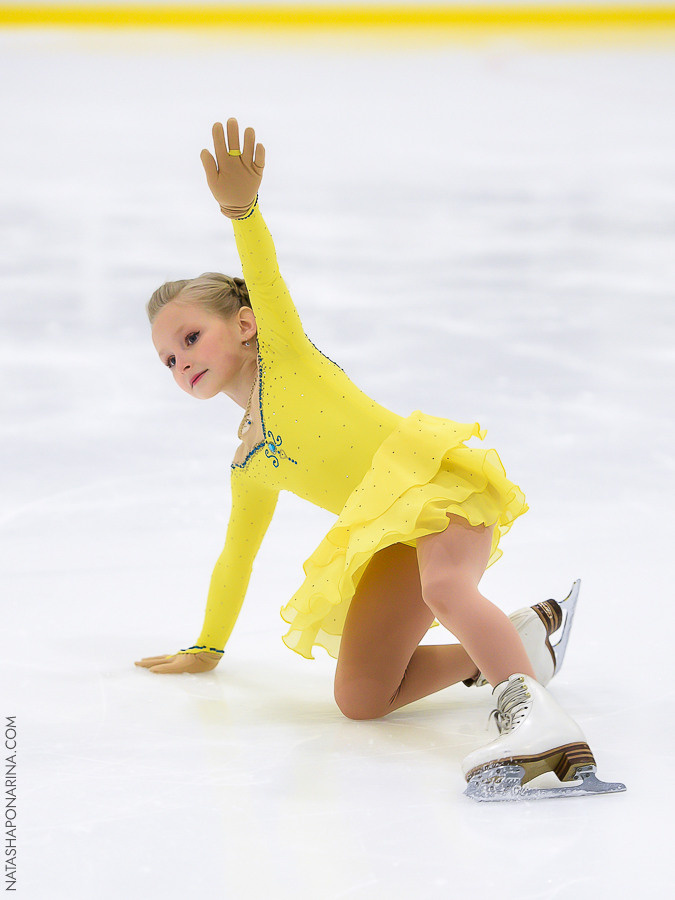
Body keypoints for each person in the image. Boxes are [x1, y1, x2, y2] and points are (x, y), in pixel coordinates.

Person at [135, 119, 624, 801]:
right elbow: (235, 556)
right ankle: (524, 644)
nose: (180, 360)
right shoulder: (249, 464)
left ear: (244, 327)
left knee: (446, 590)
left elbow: (267, 278)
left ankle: (540, 732)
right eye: (167, 358)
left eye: (189, 337)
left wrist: (242, 212)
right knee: (362, 697)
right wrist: (207, 647)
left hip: (435, 487)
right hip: (392, 538)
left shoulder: (287, 357)